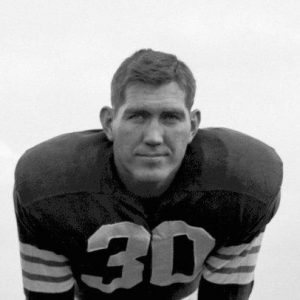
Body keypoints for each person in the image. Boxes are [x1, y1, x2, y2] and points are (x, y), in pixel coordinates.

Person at [14, 49, 283, 300]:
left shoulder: (240, 185)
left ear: (193, 126)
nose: (154, 137)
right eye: (138, 116)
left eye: (170, 117)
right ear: (109, 123)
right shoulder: (50, 187)